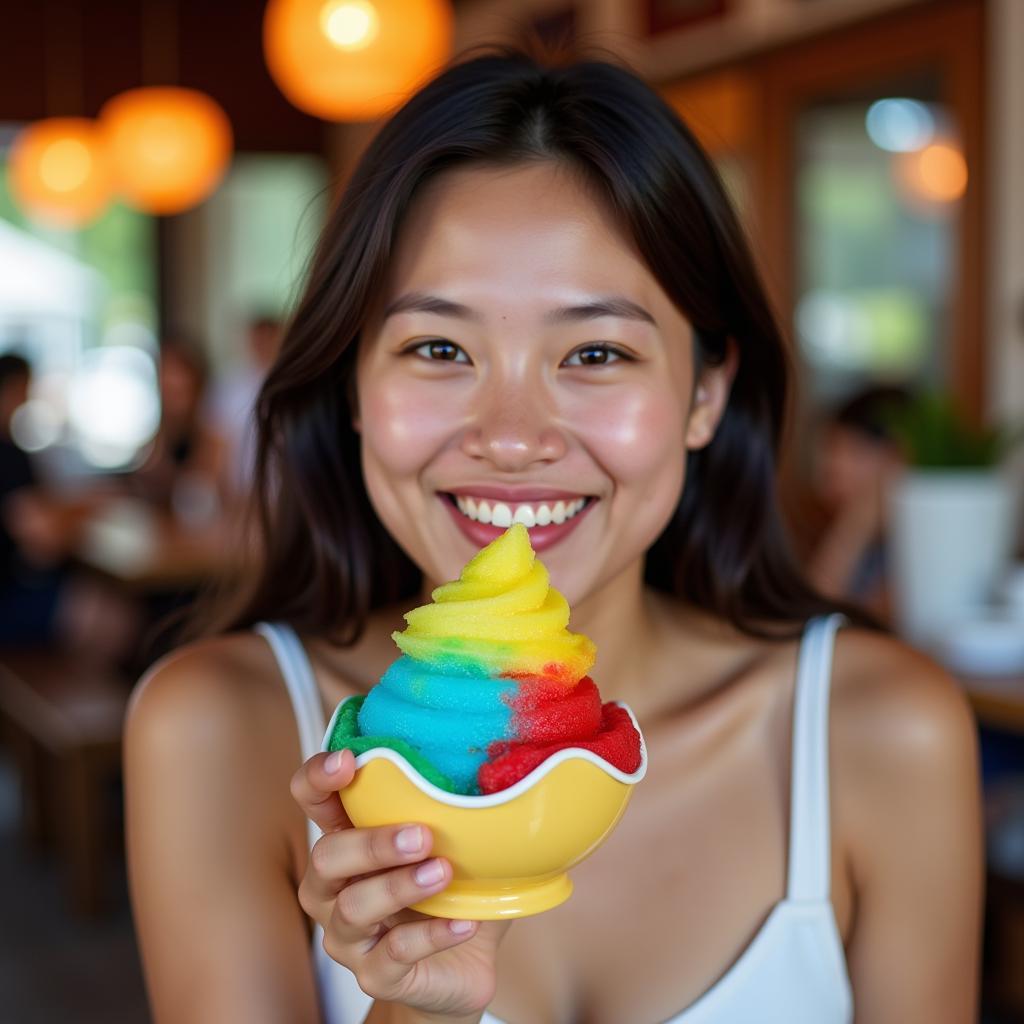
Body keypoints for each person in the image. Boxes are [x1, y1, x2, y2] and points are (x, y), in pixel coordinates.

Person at [125, 47, 983, 1023]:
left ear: (704, 391)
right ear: (353, 385)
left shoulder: (880, 730)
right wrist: (418, 1001)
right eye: (439, 348)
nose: (512, 436)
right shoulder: (217, 730)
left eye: (596, 351)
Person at [804, 385, 912, 620]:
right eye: (830, 452)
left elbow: (816, 616)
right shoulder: (865, 542)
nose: (833, 469)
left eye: (856, 452)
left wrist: (855, 526)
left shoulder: (921, 547)